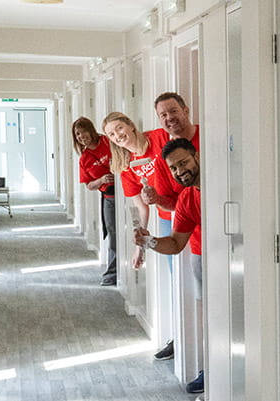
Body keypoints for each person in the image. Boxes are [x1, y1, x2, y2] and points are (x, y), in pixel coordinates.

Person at [103, 111, 185, 361]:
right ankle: (181, 338)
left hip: (187, 209)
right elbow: (141, 207)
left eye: (119, 128)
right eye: (111, 134)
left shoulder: (161, 138)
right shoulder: (125, 165)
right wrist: (141, 246)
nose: (118, 136)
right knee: (178, 280)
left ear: (130, 124)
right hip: (165, 219)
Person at [133, 138, 205, 394]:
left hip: (236, 259)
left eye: (183, 162)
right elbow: (175, 244)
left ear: (196, 156)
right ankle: (211, 371)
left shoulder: (224, 183)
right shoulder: (187, 198)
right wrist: (149, 241)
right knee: (209, 314)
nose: (180, 170)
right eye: (174, 168)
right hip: (203, 257)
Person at [72, 116, 118, 286]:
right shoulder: (84, 158)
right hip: (109, 197)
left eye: (83, 131)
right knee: (113, 236)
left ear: (91, 130)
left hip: (125, 192)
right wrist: (101, 180)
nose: (81, 136)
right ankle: (113, 273)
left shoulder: (107, 142)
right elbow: (89, 185)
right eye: (77, 134)